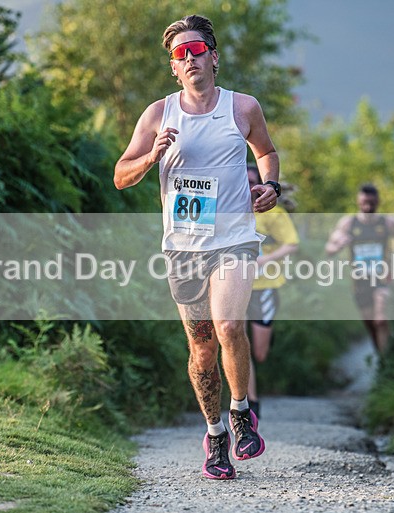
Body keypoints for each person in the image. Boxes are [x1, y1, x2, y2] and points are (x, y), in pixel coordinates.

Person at [114, 14, 280, 480]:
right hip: (184, 247)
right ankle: (214, 435)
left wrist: (271, 186)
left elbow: (266, 152)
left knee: (229, 325)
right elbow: (121, 176)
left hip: (234, 239)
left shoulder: (243, 108)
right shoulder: (157, 115)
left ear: (214, 58)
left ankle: (242, 412)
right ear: (173, 67)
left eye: (197, 50)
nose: (189, 59)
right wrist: (152, 155)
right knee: (201, 347)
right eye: (180, 54)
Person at [324, 184, 394, 354]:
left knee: (380, 319)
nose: (368, 206)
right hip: (360, 281)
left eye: (372, 202)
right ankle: (383, 356)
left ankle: (388, 361)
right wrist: (339, 245)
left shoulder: (387, 222)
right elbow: (329, 250)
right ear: (358, 201)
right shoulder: (348, 223)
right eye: (364, 202)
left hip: (382, 277)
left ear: (378, 202)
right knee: (371, 324)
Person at [246, 164, 299, 419]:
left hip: (265, 287)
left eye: (252, 182)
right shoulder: (227, 210)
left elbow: (291, 244)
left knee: (259, 353)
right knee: (236, 341)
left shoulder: (272, 213)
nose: (247, 187)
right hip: (236, 286)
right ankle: (250, 404)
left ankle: (265, 337)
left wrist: (265, 260)